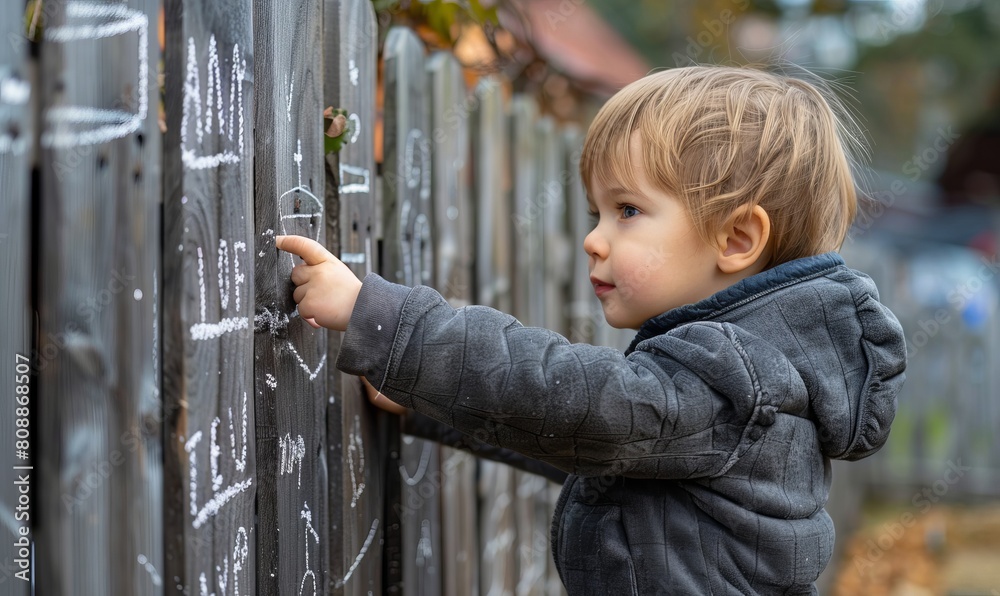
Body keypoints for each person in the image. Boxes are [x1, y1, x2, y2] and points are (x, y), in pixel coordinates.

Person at [275, 65, 907, 594]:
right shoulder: (748, 371)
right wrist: (425, 397)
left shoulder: (736, 378)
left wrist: (386, 325)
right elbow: (598, 451)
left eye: (628, 211)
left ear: (737, 238)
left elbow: (580, 403)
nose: (593, 239)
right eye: (597, 212)